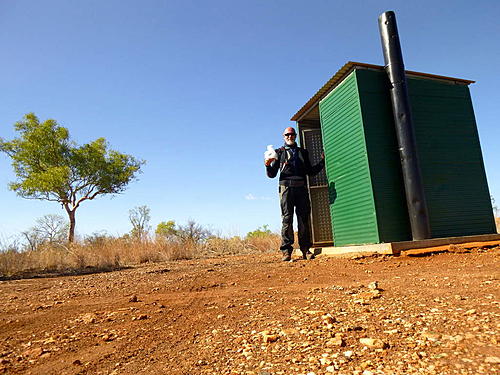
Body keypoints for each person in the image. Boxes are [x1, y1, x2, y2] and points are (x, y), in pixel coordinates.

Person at [265, 126, 325, 261]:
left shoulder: (302, 152)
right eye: (287, 135)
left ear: (296, 136)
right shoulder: (278, 153)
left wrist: (322, 162)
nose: (289, 137)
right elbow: (272, 174)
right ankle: (286, 252)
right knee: (287, 219)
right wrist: (267, 165)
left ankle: (306, 250)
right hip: (286, 189)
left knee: (304, 219)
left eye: (292, 134)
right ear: (283, 136)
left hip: (301, 188)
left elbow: (310, 171)